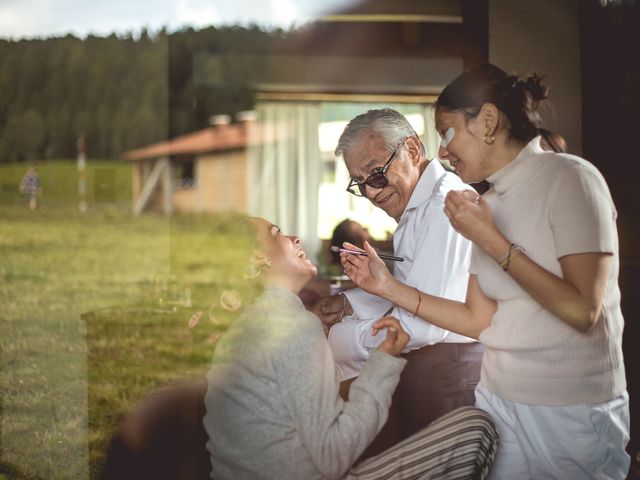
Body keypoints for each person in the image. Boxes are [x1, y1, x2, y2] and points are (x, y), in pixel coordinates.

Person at [340, 64, 630, 479]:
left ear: (489, 121)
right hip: (497, 399)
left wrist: (492, 240)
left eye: (447, 133)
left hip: (569, 405)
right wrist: (384, 285)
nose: (441, 151)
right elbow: (478, 319)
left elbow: (584, 311)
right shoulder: (486, 204)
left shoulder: (572, 179)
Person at [203, 216, 498, 480]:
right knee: (474, 427)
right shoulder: (291, 328)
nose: (294, 238)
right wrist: (383, 362)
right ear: (256, 260)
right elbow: (332, 455)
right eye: (276, 232)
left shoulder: (244, 329)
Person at [313, 108, 483, 437]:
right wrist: (349, 304)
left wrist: (339, 339)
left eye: (376, 175)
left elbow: (422, 325)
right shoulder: (417, 209)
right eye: (360, 185)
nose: (372, 194)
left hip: (449, 371)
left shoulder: (442, 208)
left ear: (413, 150)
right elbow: (409, 291)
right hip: (433, 369)